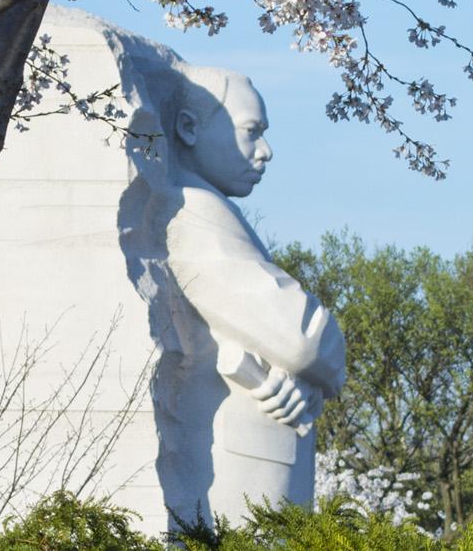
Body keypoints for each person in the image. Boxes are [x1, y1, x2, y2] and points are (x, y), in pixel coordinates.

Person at [115, 41, 346, 530]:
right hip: (236, 463)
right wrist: (317, 364)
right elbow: (303, 338)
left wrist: (301, 379)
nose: (265, 151)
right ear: (190, 128)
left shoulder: (207, 207)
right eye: (251, 132)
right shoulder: (193, 210)